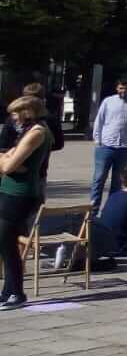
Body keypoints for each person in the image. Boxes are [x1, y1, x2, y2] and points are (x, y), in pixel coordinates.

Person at [0, 97, 52, 309]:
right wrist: (7, 158)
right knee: (7, 241)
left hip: (21, 194)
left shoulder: (37, 132)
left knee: (6, 241)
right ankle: (8, 291)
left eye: (16, 113)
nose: (13, 118)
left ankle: (17, 293)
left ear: (28, 111)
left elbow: (8, 166)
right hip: (10, 190)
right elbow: (9, 159)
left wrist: (6, 160)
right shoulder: (28, 132)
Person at [90, 79, 127, 215]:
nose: (123, 91)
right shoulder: (108, 101)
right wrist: (97, 140)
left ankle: (110, 210)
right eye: (121, 88)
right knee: (99, 178)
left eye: (126, 88)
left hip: (125, 147)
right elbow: (99, 121)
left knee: (118, 181)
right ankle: (93, 211)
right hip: (106, 146)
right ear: (116, 88)